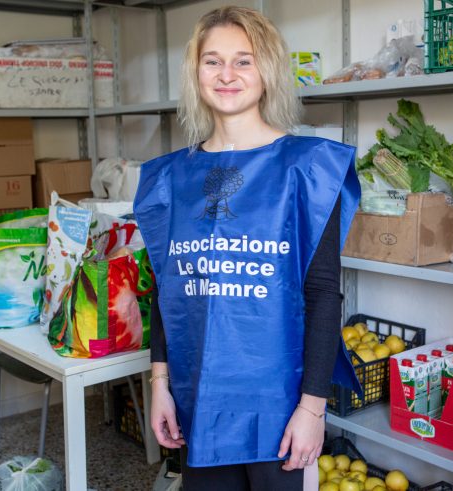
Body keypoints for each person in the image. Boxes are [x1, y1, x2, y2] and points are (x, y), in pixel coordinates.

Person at [133, 6, 361, 490]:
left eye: (243, 60)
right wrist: (160, 385)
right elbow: (168, 292)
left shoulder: (309, 169)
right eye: (212, 61)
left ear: (267, 71)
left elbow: (323, 295)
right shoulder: (171, 178)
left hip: (279, 408)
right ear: (196, 72)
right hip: (200, 403)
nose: (227, 75)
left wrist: (312, 409)